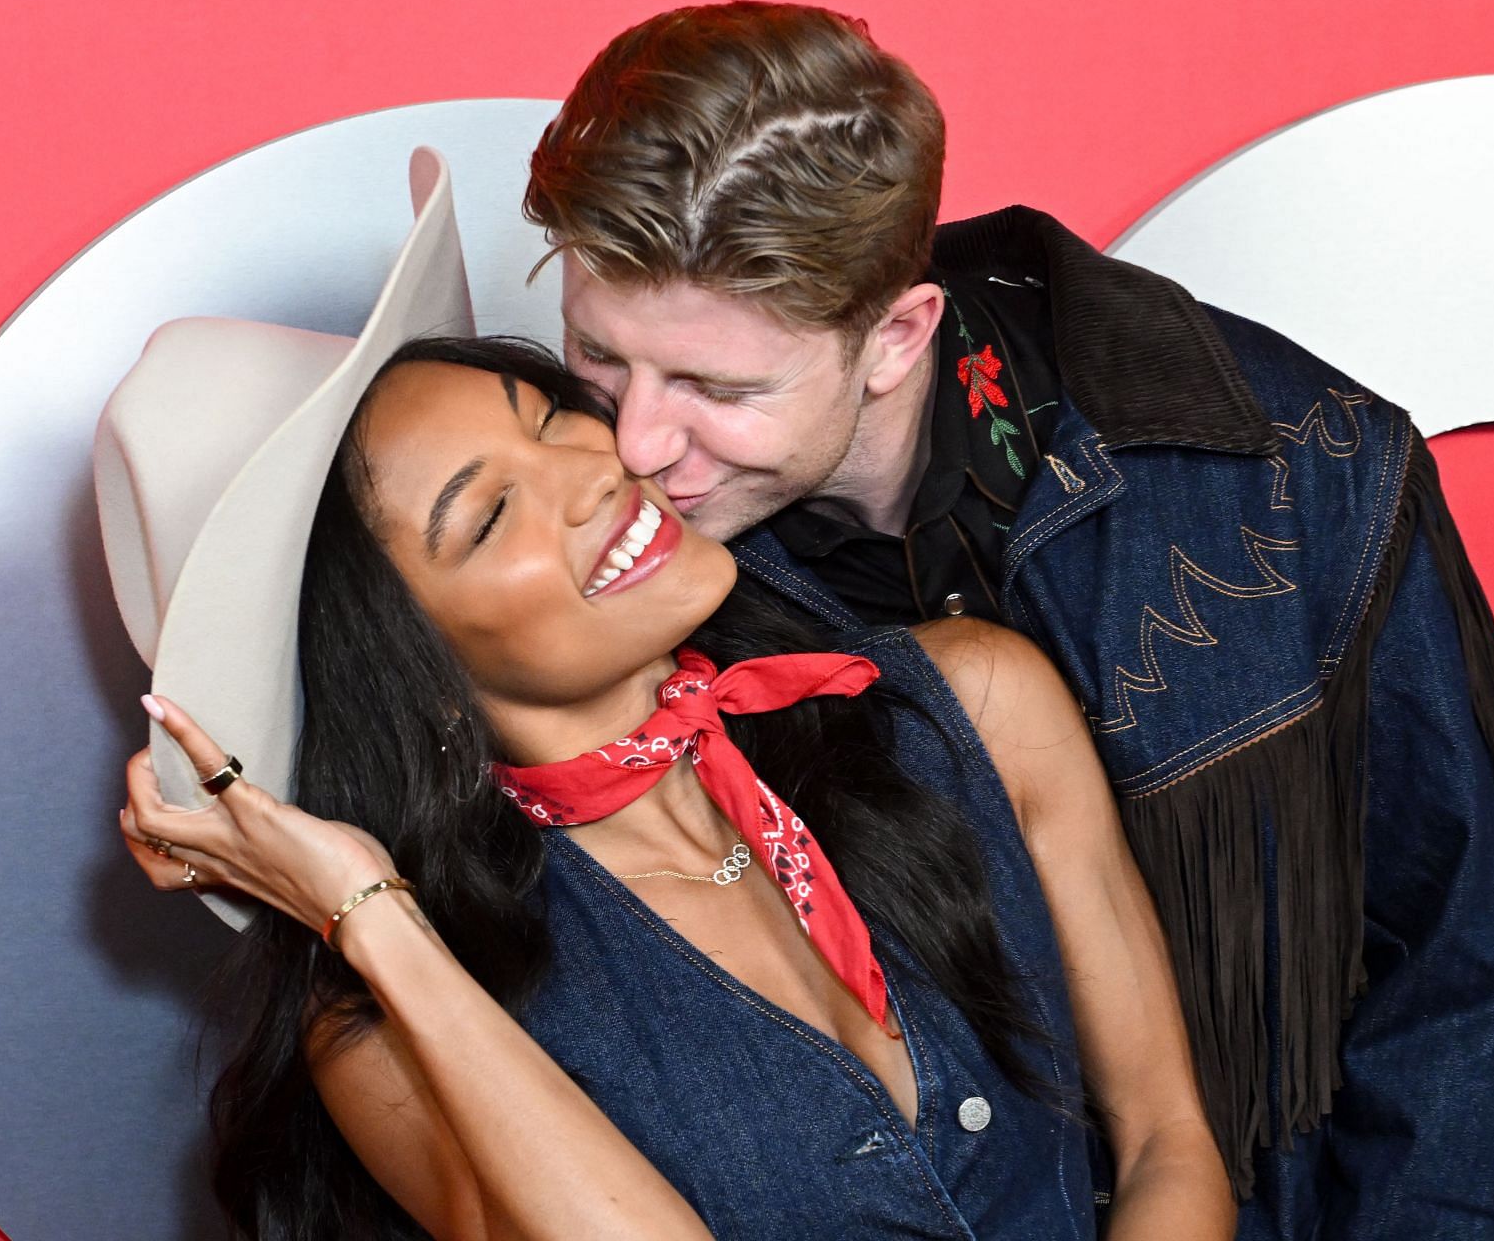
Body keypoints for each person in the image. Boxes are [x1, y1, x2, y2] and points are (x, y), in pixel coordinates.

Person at [519, 1, 1494, 1240]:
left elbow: (1459, 972)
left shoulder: (1301, 466)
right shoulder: (612, 569)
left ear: (897, 335)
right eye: (599, 358)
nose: (638, 444)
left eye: (718, 387)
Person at [107, 331, 1233, 1239]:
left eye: (554, 419)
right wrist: (374, 916)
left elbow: (1166, 1144)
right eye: (491, 511)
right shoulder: (390, 1018)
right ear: (409, 669)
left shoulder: (975, 700)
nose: (599, 470)